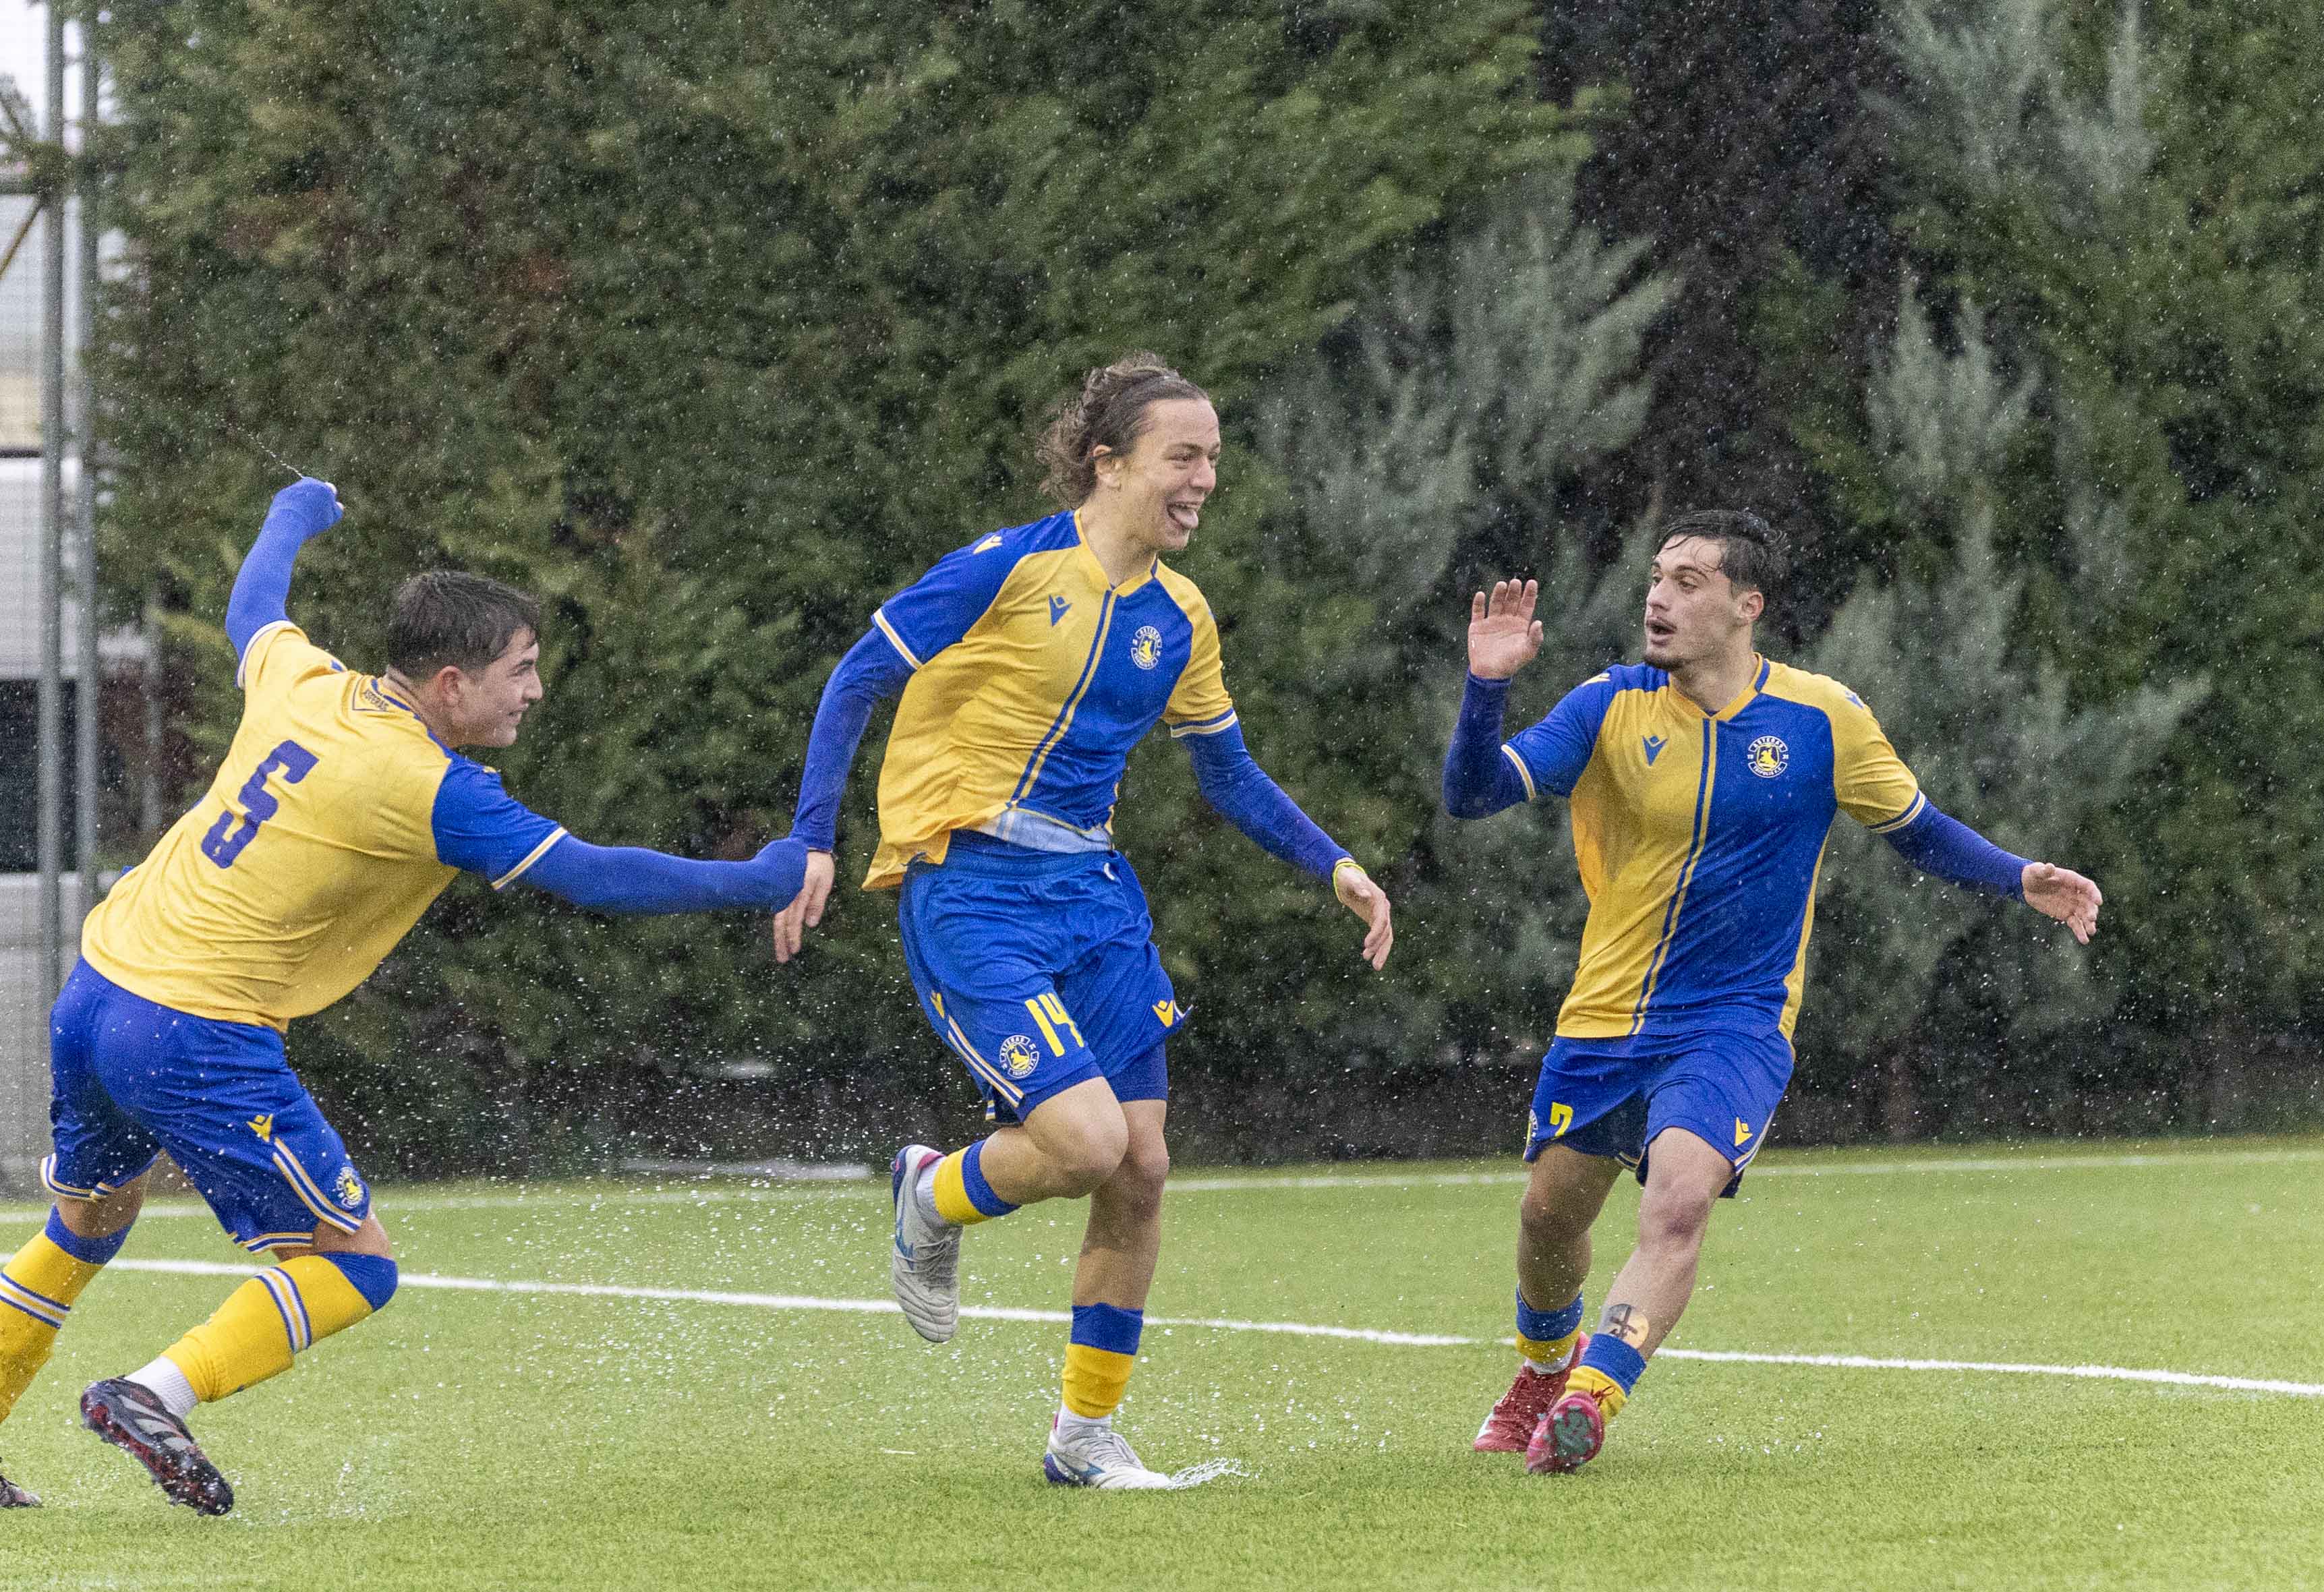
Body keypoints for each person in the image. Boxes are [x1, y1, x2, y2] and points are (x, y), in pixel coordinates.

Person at [0, 478, 809, 1516]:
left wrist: (293, 512)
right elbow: (595, 875)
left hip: (99, 989)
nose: (536, 691)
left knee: (86, 1224)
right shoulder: (430, 785)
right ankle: (154, 1393)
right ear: (452, 683)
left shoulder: (307, 684)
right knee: (356, 1266)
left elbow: (255, 603)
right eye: (521, 670)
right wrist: (763, 878)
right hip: (190, 1029)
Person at [774, 353, 1393, 1490]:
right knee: (1087, 1143)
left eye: (1214, 457)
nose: (1205, 479)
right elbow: (857, 678)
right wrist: (814, 837)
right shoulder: (1008, 567)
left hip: (1095, 900)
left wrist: (1335, 864)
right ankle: (932, 1194)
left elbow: (1226, 771)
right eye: (1183, 456)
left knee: (1142, 1166)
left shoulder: (1182, 614)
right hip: (971, 886)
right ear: (1108, 463)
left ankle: (1084, 1438)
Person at [1441, 512, 2101, 1474]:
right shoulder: (1607, 705)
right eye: (1657, 578)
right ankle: (1544, 1367)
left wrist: (2017, 876)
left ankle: (1591, 1397)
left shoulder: (1821, 717)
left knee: (1677, 1205)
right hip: (1608, 1016)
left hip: (1738, 1022)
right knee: (1549, 1221)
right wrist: (1486, 686)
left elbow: (1914, 826)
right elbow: (1472, 795)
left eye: (1688, 582)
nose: (1658, 598)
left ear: (1747, 606)